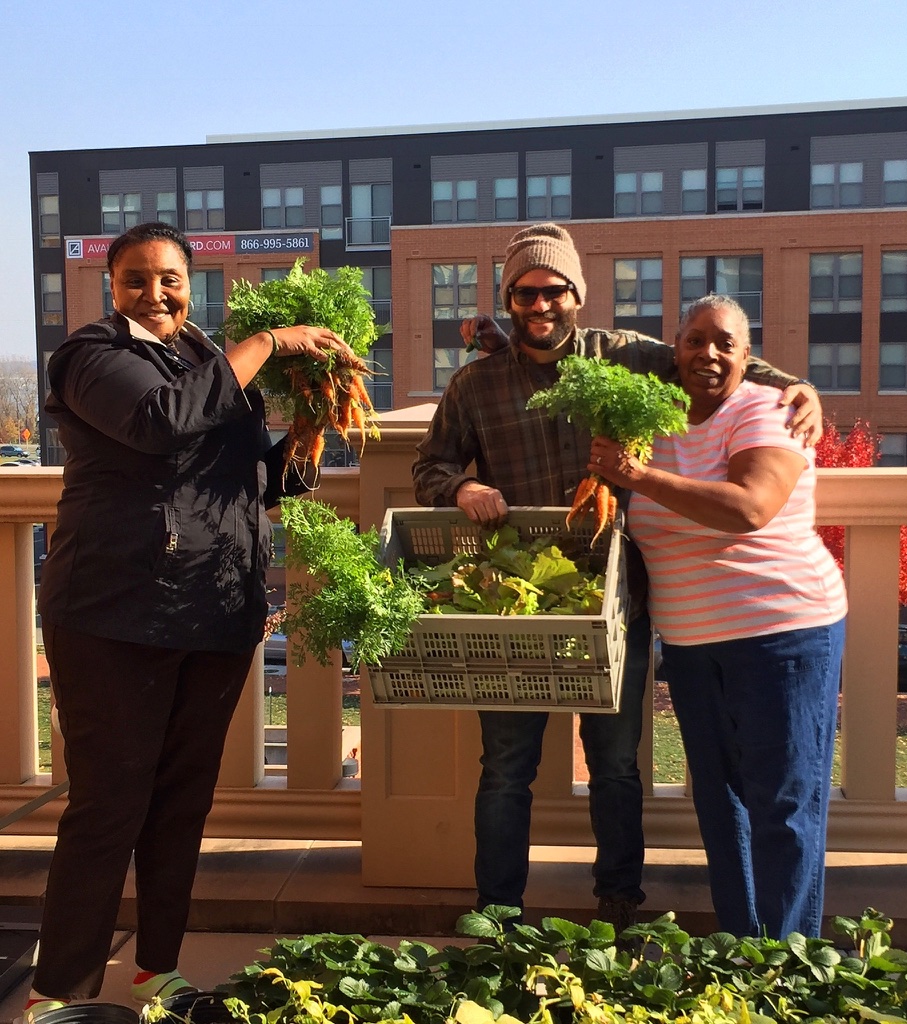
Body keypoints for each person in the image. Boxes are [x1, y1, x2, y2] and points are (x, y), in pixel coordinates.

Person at [412, 223, 823, 932]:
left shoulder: (622, 355)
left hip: (618, 597)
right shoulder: (476, 384)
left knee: (616, 764)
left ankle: (617, 904)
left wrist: (801, 387)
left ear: (577, 293)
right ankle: (499, 911)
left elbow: (715, 360)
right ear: (508, 300)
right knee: (507, 765)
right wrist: (461, 492)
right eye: (523, 293)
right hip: (519, 601)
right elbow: (429, 468)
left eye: (552, 290)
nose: (538, 304)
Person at [23, 222, 356, 1018]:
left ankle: (155, 973)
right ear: (113, 288)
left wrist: (308, 426)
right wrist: (272, 340)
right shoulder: (91, 358)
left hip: (211, 611)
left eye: (168, 278)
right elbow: (162, 423)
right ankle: (54, 994)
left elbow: (253, 485)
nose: (155, 292)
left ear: (190, 282)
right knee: (110, 805)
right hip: (114, 614)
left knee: (181, 803)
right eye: (136, 279)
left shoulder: (207, 357)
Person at [589, 294, 847, 939]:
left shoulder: (769, 409)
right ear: (673, 351)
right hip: (693, 642)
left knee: (783, 801)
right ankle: (740, 950)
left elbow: (750, 507)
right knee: (721, 800)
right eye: (694, 340)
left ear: (748, 355)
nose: (708, 353)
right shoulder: (656, 418)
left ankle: (788, 964)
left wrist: (638, 476)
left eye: (725, 343)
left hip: (781, 632)